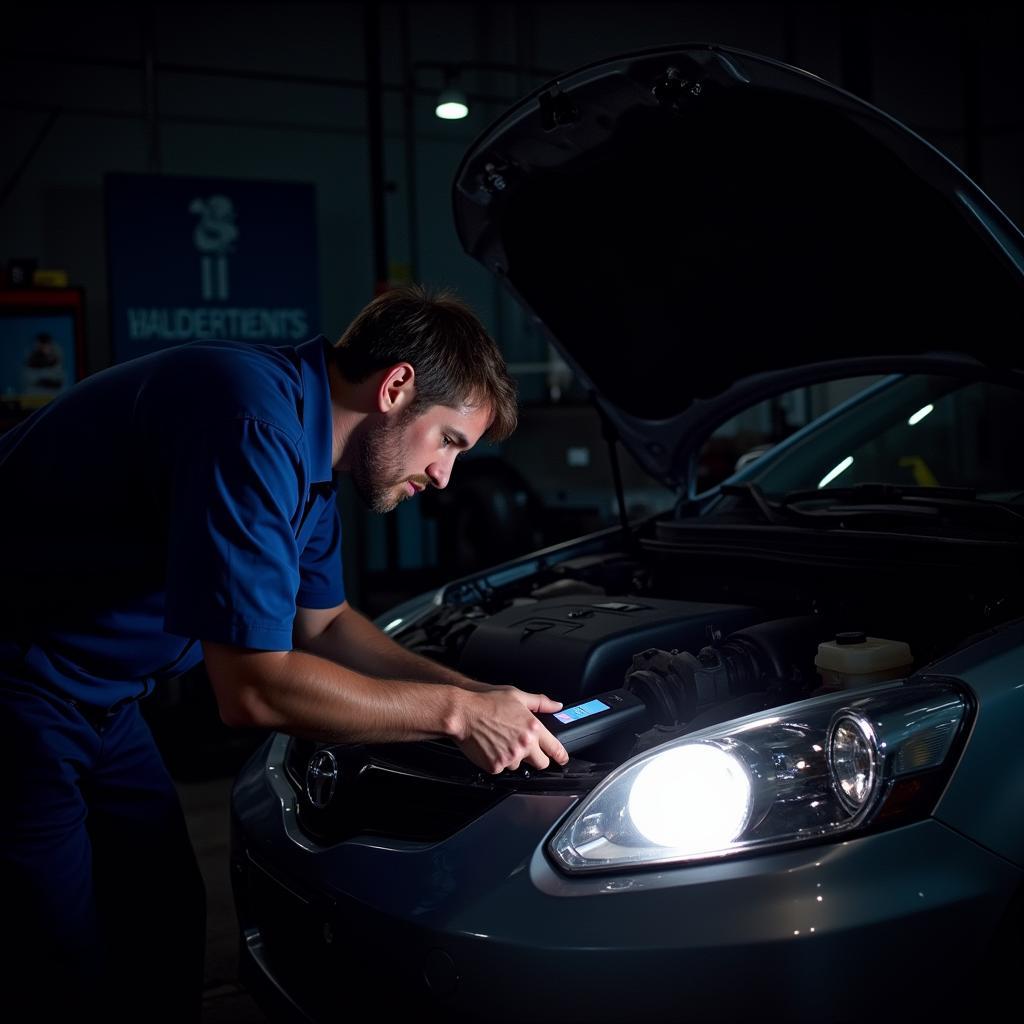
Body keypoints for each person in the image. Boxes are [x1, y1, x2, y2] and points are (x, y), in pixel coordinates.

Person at [0, 284, 569, 1022]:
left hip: (99, 696)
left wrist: (478, 693)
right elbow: (255, 690)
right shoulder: (249, 421)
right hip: (19, 688)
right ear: (396, 386)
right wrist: (458, 716)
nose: (443, 477)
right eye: (449, 442)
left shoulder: (307, 452)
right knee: (57, 957)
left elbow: (325, 625)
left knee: (162, 914)